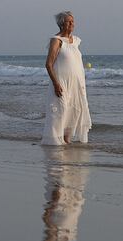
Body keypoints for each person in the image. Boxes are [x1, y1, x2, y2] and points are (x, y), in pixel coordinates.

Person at [41, 11, 92, 145]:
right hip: (61, 83)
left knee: (74, 111)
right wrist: (56, 84)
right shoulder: (56, 41)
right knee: (61, 110)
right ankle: (55, 142)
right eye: (69, 21)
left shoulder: (76, 41)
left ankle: (67, 140)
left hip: (77, 84)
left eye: (73, 21)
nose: (72, 24)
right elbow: (49, 64)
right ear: (62, 24)